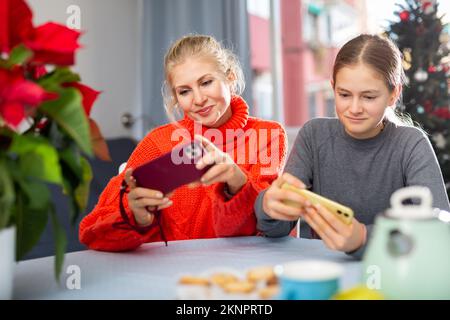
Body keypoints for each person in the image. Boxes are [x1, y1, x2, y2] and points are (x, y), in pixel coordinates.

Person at [80, 35, 287, 251]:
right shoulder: (158, 142)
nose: (198, 99)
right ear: (175, 96)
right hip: (169, 277)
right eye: (184, 91)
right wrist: (137, 218)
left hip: (238, 275)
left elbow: (268, 228)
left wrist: (237, 182)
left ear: (230, 77)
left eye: (206, 82)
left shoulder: (267, 135)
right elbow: (91, 233)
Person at [255, 34, 450, 259]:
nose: (354, 108)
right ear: (333, 87)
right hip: (320, 275)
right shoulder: (314, 136)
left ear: (393, 94)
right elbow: (275, 229)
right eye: (344, 95)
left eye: (368, 97)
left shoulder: (410, 144)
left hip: (391, 275)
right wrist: (268, 205)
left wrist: (364, 238)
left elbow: (440, 233)